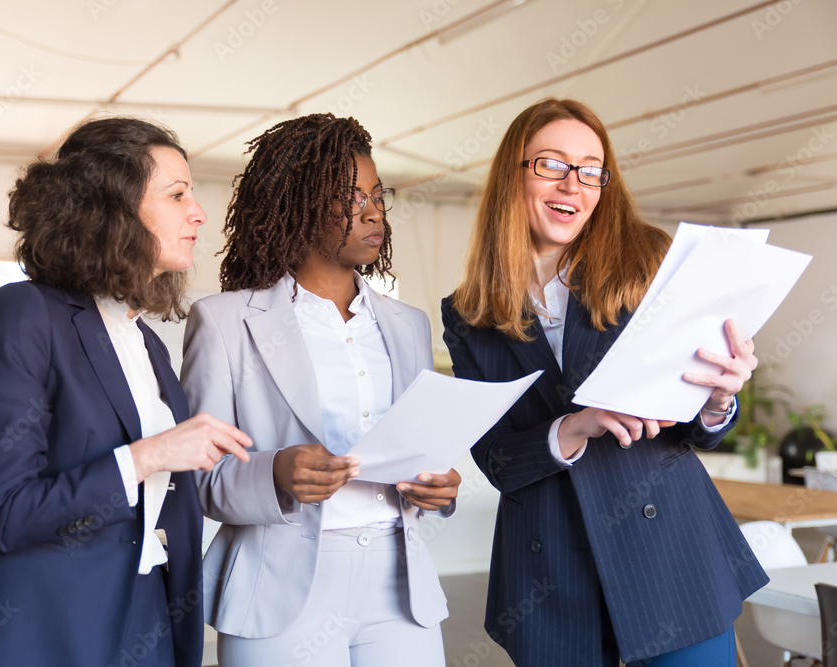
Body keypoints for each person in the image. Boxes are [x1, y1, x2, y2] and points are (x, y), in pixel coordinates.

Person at [441, 98, 768, 667]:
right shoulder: (469, 312)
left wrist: (718, 399)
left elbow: (696, 429)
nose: (573, 183)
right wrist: (573, 427)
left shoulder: (647, 261)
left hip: (670, 558)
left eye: (591, 170)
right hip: (550, 573)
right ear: (513, 174)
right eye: (551, 163)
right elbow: (497, 461)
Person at [0, 118, 252, 667]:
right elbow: (5, 513)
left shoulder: (146, 341)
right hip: (42, 627)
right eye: (177, 195)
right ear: (112, 209)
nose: (199, 213)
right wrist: (150, 455)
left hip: (145, 616)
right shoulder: (24, 313)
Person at [181, 113, 461, 666]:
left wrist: (440, 487)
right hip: (279, 587)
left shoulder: (408, 324)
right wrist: (275, 473)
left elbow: (420, 447)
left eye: (377, 195)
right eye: (351, 198)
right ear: (298, 204)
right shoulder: (224, 322)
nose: (374, 211)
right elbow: (198, 479)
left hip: (400, 586)